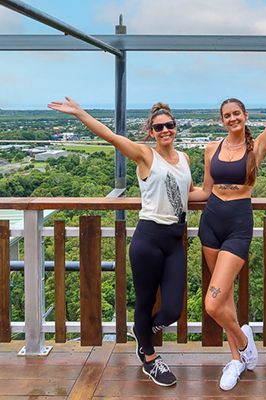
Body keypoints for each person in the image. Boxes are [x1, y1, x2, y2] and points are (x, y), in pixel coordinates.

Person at [48, 98, 195, 387]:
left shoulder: (185, 159)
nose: (165, 130)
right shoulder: (145, 155)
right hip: (149, 236)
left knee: (172, 309)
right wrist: (80, 114)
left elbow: (192, 192)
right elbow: (110, 136)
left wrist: (228, 196)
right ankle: (149, 358)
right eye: (159, 127)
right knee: (144, 300)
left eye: (170, 125)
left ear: (176, 128)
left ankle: (142, 331)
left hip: (175, 239)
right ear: (151, 132)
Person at [195, 48, 266, 391]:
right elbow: (204, 190)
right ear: (221, 120)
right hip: (211, 221)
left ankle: (245, 347)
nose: (232, 119)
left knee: (212, 302)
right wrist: (168, 191)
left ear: (245, 116)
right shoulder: (209, 149)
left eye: (237, 114)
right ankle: (236, 358)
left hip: (237, 224)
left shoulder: (256, 147)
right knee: (225, 298)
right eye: (226, 116)